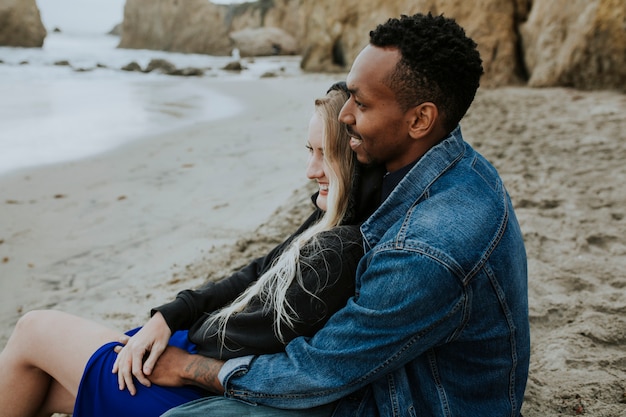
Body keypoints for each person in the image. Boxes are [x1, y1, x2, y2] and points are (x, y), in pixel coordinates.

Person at [159, 12, 531, 417]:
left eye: (362, 103)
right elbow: (275, 262)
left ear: (420, 119)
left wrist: (193, 368)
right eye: (349, 94)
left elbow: (317, 372)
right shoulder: (455, 165)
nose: (344, 115)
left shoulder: (425, 249)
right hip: (399, 376)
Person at [0, 84, 383, 417]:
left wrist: (182, 356)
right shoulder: (330, 217)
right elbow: (256, 272)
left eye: (324, 154)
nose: (310, 169)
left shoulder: (337, 250)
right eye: (309, 150)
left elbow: (260, 351)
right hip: (195, 361)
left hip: (201, 392)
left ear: (353, 157)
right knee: (40, 386)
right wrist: (170, 316)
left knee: (34, 330)